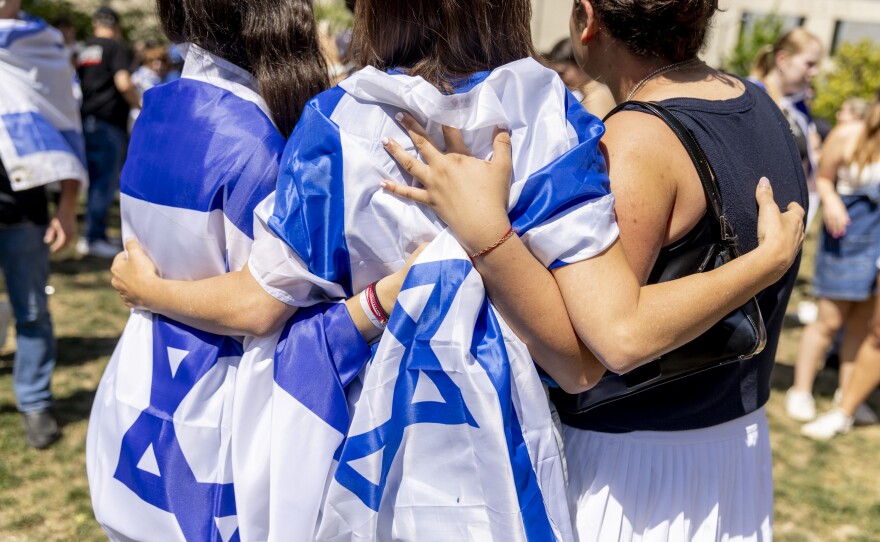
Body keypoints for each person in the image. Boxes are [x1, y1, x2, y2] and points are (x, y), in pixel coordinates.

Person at [111, 0, 804, 537]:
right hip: (509, 465)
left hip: (359, 462)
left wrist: (151, 290)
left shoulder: (340, 122)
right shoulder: (552, 118)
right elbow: (580, 361)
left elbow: (260, 305)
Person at [380, 0, 809, 539]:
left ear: (586, 19)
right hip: (732, 449)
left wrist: (482, 228)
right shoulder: (759, 104)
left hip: (633, 475)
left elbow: (615, 339)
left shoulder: (637, 141)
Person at [84, 0, 410, 539]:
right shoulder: (260, 138)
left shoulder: (156, 110)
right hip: (227, 415)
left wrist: (148, 291)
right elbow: (261, 307)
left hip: (145, 392)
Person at [0, 0, 86, 448]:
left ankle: (34, 401)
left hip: (22, 209)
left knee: (31, 309)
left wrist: (68, 207)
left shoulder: (42, 48)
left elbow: (66, 128)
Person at [800, 91, 880, 440]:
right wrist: (830, 200)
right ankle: (801, 389)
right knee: (829, 320)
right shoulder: (850, 133)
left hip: (875, 245)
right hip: (847, 236)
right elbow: (824, 176)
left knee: (862, 327)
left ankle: (846, 396)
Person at [76, 6, 139, 258]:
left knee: (95, 182)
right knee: (105, 182)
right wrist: (140, 104)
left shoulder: (84, 49)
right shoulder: (115, 47)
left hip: (87, 120)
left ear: (95, 25)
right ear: (117, 26)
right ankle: (94, 237)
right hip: (108, 123)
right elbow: (123, 82)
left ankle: (93, 233)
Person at [750, 28, 823, 228]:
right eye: (809, 64)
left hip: (791, 217)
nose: (814, 72)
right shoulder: (751, 96)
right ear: (782, 60)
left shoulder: (800, 107)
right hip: (756, 216)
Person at [544, 37, 615, 119]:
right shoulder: (591, 94)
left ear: (580, 66)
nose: (559, 79)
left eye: (561, 73)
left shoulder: (596, 97)